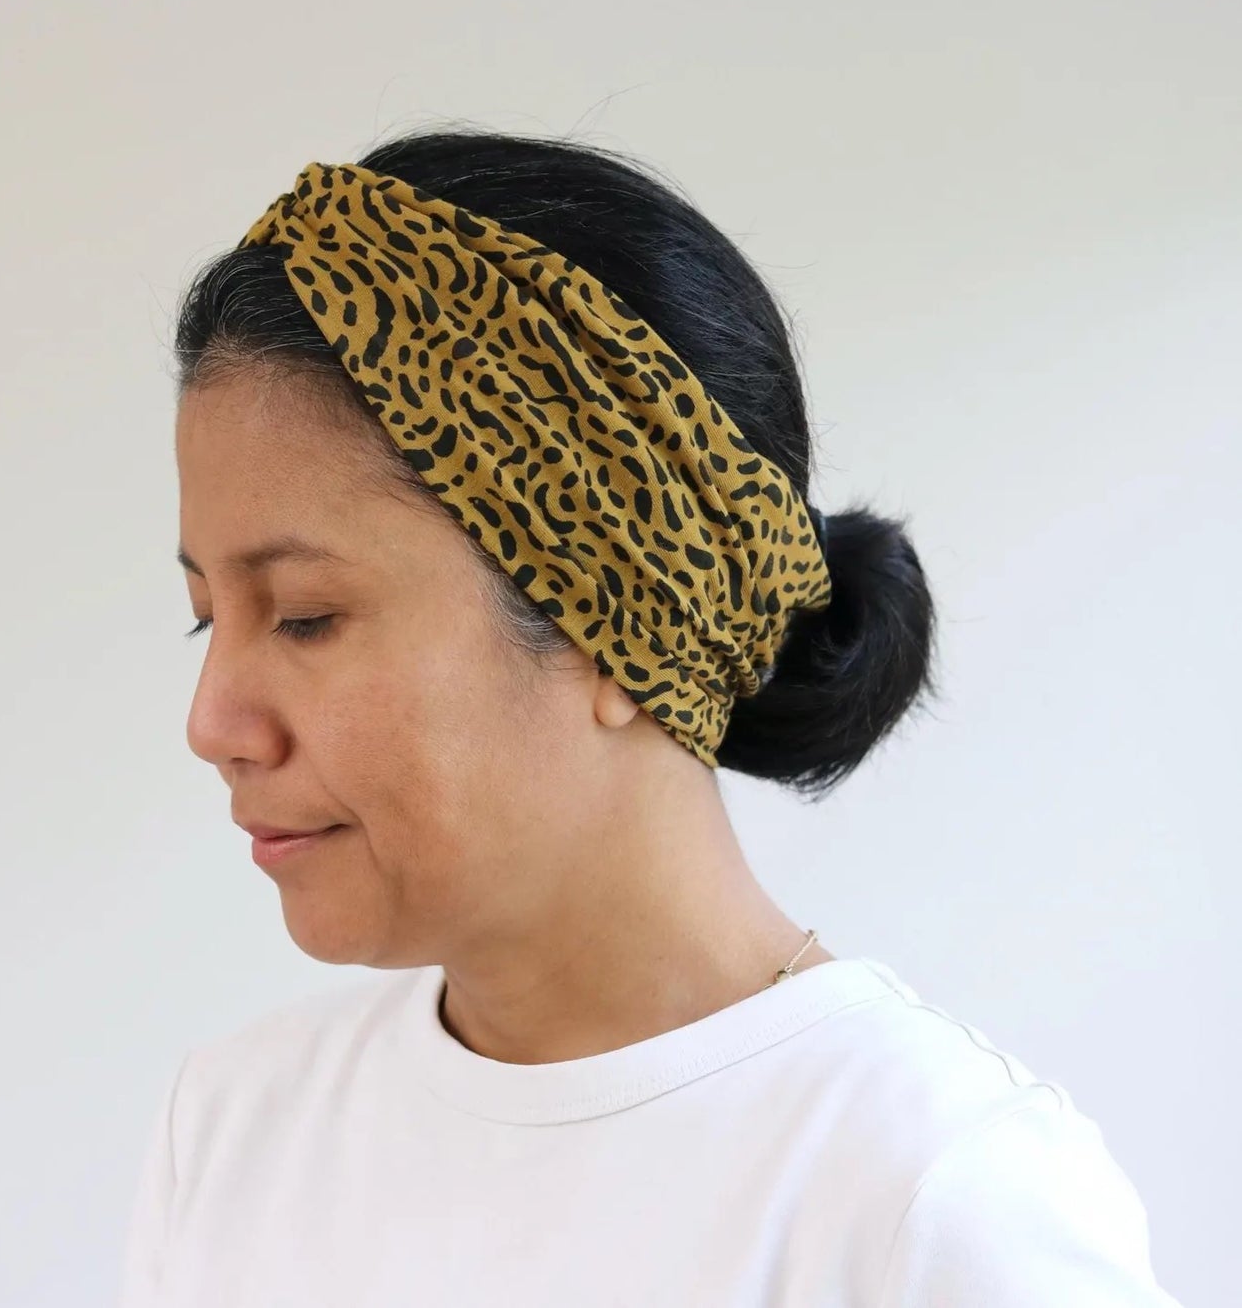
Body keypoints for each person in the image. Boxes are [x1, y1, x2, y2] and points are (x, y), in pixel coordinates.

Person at [118, 127, 1181, 1306]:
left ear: (612, 614)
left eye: (306, 615)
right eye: (203, 615)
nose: (213, 720)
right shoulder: (232, 1131)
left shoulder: (930, 1198)